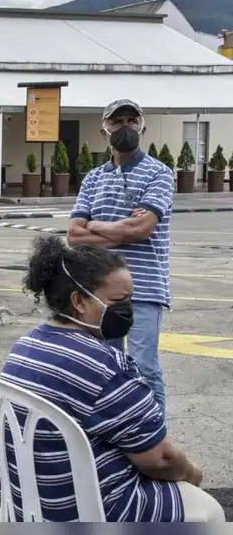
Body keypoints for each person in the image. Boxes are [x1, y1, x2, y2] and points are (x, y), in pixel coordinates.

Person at [0, 235, 222, 522]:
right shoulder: (104, 365)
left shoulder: (26, 345)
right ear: (78, 301)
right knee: (209, 510)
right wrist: (191, 474)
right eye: (119, 301)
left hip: (28, 503)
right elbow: (159, 459)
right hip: (90, 508)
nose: (128, 310)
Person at [67, 99, 173, 417]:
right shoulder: (93, 178)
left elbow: (141, 228)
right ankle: (120, 435)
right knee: (107, 367)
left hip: (145, 287)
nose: (125, 126)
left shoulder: (160, 173)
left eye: (132, 119)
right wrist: (122, 227)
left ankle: (156, 441)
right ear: (104, 130)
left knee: (143, 367)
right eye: (117, 121)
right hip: (101, 290)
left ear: (143, 126)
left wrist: (95, 225)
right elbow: (74, 235)